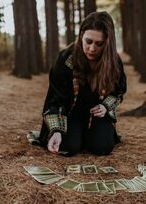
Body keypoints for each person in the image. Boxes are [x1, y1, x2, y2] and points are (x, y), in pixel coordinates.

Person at [37, 11, 127, 156]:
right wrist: (56, 131)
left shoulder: (114, 62)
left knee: (102, 148)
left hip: (98, 116)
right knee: (68, 147)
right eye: (88, 41)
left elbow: (118, 92)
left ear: (108, 43)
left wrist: (105, 107)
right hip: (69, 114)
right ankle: (77, 135)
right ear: (81, 37)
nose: (92, 49)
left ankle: (88, 135)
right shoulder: (66, 59)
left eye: (99, 44)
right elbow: (55, 99)